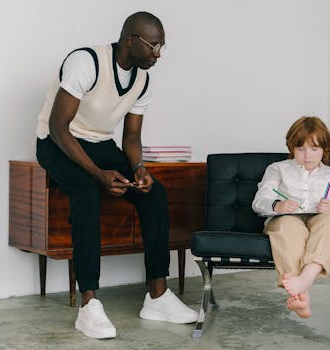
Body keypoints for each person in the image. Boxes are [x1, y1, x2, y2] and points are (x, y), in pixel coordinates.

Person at [35, 11, 198, 339]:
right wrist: (97, 174)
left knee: (154, 193)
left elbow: (132, 139)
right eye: (152, 46)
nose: (157, 55)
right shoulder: (87, 62)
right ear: (130, 41)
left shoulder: (143, 80)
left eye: (161, 46)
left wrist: (139, 169)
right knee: (86, 191)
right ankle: (89, 304)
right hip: (57, 142)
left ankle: (157, 295)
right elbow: (57, 126)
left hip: (99, 143)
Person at [251, 116, 330, 318]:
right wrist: (277, 205)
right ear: (292, 147)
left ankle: (304, 281)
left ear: (325, 149)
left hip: (322, 224)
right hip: (286, 220)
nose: (307, 156)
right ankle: (302, 293)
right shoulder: (277, 169)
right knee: (288, 224)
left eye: (314, 149)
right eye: (301, 149)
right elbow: (259, 202)